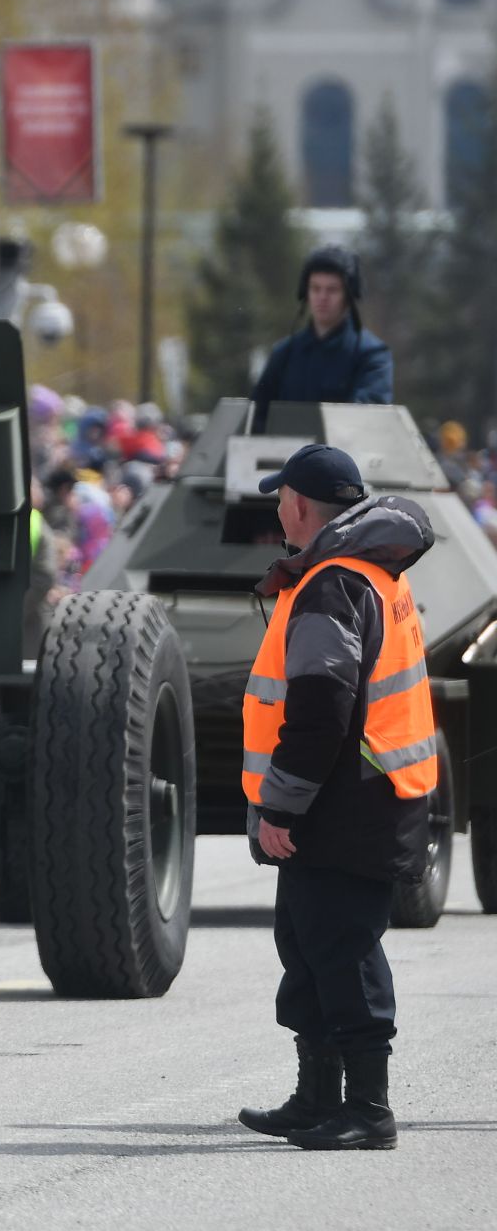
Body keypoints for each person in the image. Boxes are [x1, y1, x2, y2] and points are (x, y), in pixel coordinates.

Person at [237, 443, 436, 1151]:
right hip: (356, 799)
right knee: (309, 942)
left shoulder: (332, 582)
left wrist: (281, 807)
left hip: (345, 806)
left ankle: (368, 1108)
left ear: (296, 504)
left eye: (279, 498)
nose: (277, 510)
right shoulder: (364, 574)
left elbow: (321, 707)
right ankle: (317, 1096)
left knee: (342, 949)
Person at [251, 246, 393, 431]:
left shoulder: (372, 355)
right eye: (315, 288)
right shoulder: (284, 354)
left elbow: (367, 419)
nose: (322, 297)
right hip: (285, 458)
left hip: (346, 457)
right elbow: (256, 416)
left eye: (332, 290)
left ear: (348, 296)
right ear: (306, 292)